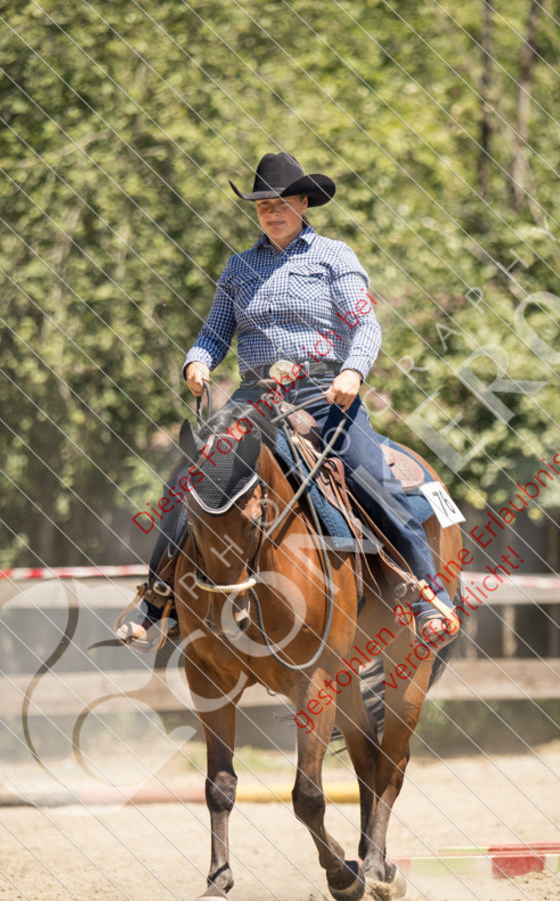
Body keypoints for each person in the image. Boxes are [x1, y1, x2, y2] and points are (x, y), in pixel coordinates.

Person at [118, 152, 458, 646]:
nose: (272, 212)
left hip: (325, 393)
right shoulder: (239, 267)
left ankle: (429, 594)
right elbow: (214, 334)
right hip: (255, 400)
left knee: (369, 475)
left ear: (302, 203)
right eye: (262, 206)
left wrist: (353, 371)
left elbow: (365, 324)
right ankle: (158, 598)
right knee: (194, 474)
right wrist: (196, 361)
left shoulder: (334, 257)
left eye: (281, 203)